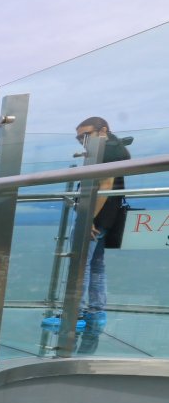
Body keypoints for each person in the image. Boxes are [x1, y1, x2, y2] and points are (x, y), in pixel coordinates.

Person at [74, 116, 130, 330]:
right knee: (96, 265)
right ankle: (96, 311)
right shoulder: (117, 149)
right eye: (79, 138)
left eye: (87, 135)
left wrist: (87, 219)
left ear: (103, 130)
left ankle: (76, 312)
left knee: (80, 264)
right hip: (109, 215)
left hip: (96, 215)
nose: (82, 140)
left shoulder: (106, 150)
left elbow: (105, 185)